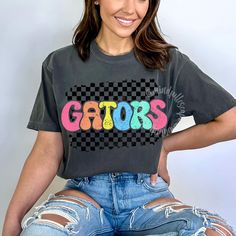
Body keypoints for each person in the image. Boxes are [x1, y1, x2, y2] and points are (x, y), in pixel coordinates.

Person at [3, 0, 236, 235]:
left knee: (215, 232)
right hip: (84, 196)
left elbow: (231, 121)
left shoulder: (169, 63)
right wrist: (13, 218)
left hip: (147, 200)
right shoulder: (60, 64)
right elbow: (47, 151)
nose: (130, 8)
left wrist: (165, 145)